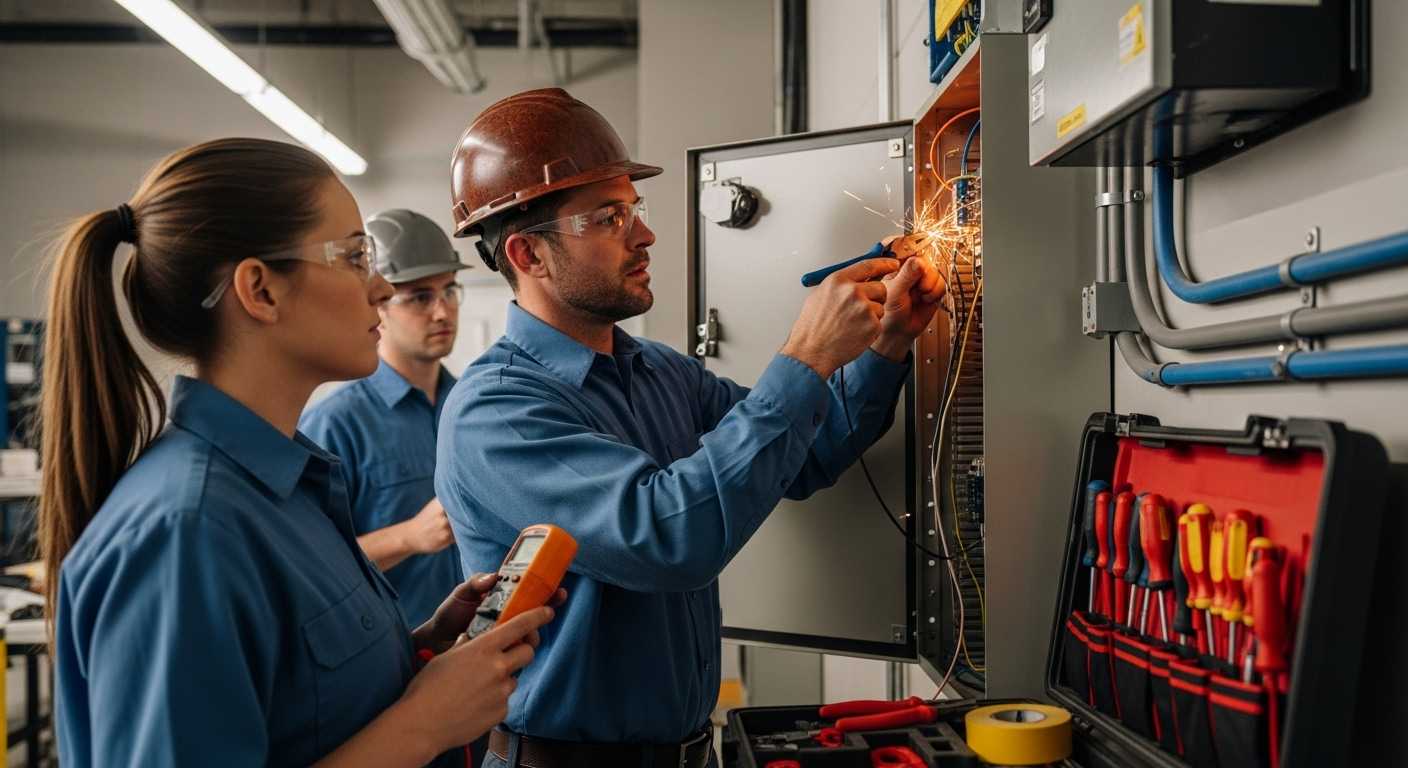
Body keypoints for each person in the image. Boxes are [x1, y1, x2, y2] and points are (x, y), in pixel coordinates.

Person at [435, 89, 945, 768]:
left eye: (633, 209)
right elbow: (669, 538)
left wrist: (886, 344)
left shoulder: (658, 373)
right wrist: (805, 356)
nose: (643, 234)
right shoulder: (495, 414)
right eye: (608, 217)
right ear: (529, 255)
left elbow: (807, 453)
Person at [38, 138, 559, 767]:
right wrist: (424, 725)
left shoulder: (289, 486)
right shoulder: (186, 532)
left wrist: (424, 650)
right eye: (355, 255)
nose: (377, 287)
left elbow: (298, 707)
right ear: (260, 290)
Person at [301, 208, 469, 629]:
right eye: (419, 297)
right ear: (378, 303)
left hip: (482, 651)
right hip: (393, 664)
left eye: (449, 291)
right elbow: (304, 564)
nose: (443, 312)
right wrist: (409, 537)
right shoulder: (333, 424)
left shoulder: (472, 406)